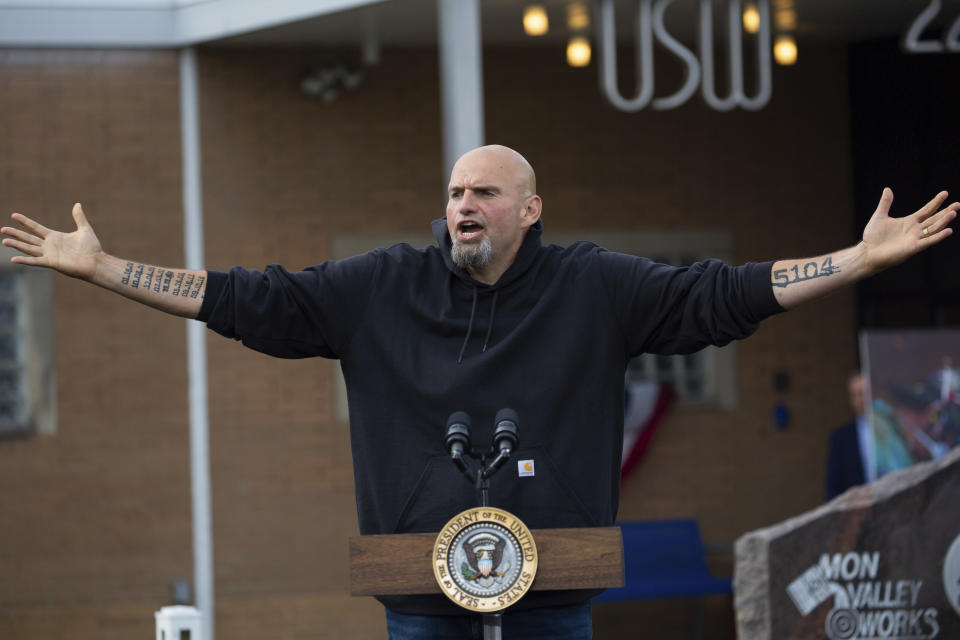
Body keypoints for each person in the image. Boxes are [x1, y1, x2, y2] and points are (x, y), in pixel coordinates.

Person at [3, 145, 957, 639]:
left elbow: (727, 294)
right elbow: (243, 299)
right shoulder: (378, 287)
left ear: (530, 209)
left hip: (557, 589)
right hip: (417, 590)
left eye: (486, 193)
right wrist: (106, 269)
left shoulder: (594, 285)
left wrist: (853, 260)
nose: (464, 204)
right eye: (456, 191)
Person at [826, 372, 875, 500]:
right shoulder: (840, 438)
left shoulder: (890, 427)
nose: (862, 399)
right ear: (851, 399)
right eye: (857, 395)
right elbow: (832, 485)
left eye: (864, 393)